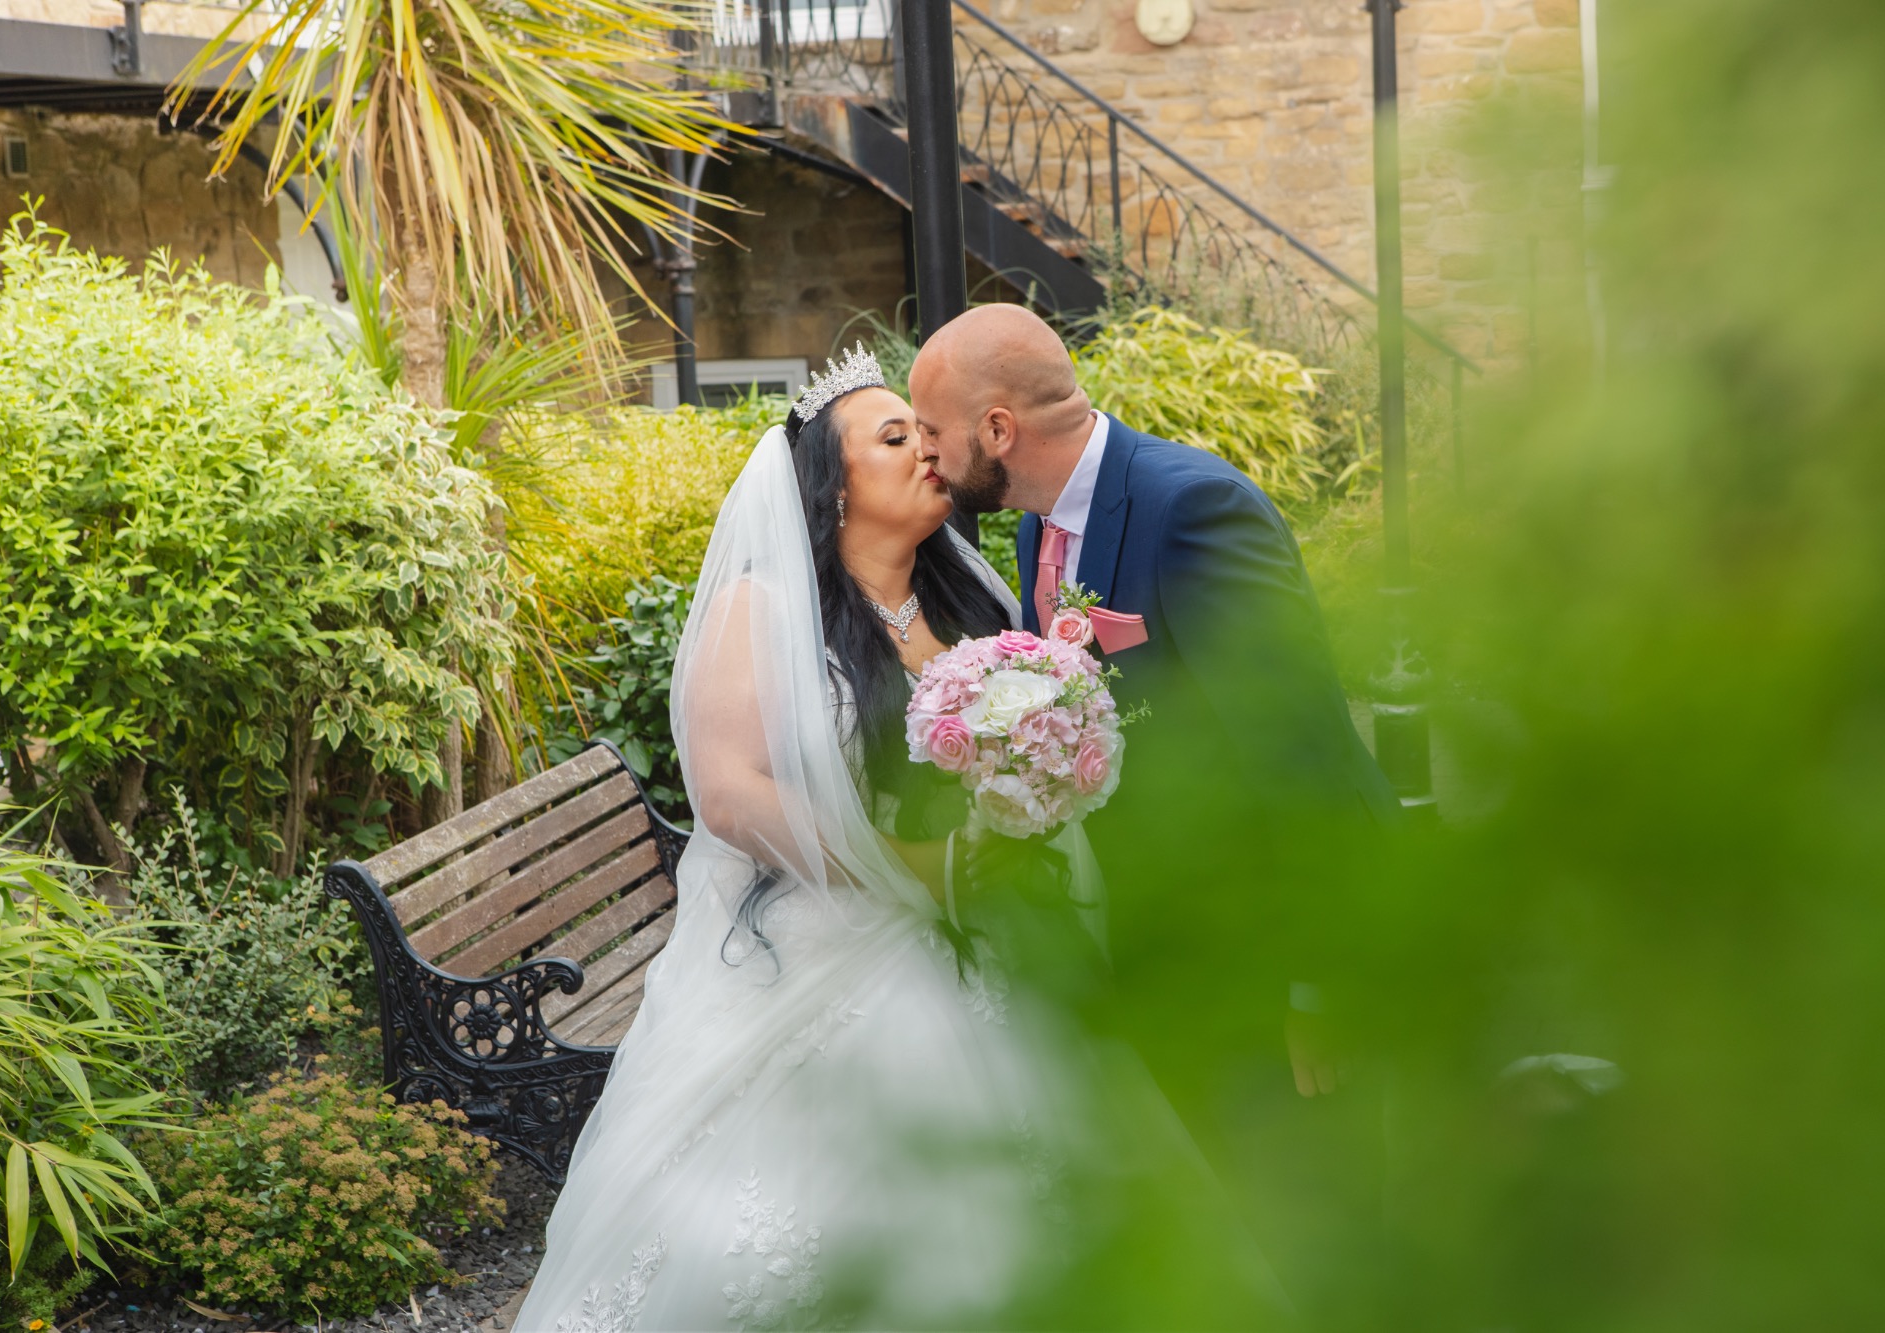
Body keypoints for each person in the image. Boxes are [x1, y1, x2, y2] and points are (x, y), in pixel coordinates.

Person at [515, 349, 1064, 1331]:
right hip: (809, 945)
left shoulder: (972, 607)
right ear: (832, 487)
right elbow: (731, 796)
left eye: (924, 432)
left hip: (980, 936)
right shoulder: (761, 609)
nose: (926, 449)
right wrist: (909, 868)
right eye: (893, 437)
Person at [907, 302, 1398, 1143]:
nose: (925, 452)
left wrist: (1322, 983)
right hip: (1159, 946)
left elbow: (1302, 749)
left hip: (1266, 949)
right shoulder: (1036, 529)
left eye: (930, 430)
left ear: (997, 430)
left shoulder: (1195, 508)